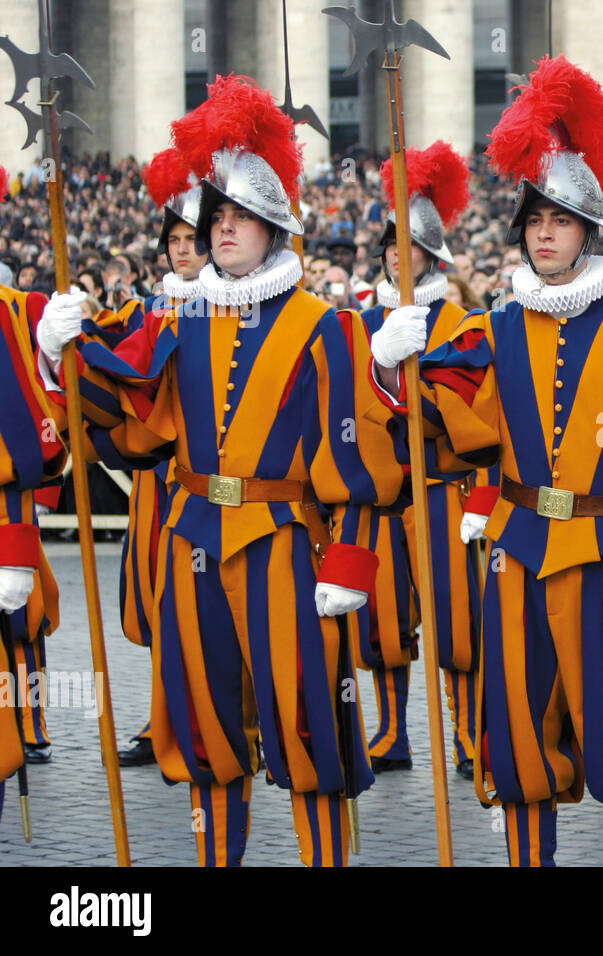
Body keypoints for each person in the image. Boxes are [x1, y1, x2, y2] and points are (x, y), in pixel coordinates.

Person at [36, 75, 402, 866]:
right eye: (218, 217)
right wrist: (62, 351)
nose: (225, 229)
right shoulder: (179, 315)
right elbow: (133, 418)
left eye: (242, 218)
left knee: (309, 724)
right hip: (193, 537)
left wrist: (349, 561)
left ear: (275, 229)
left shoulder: (324, 327)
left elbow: (360, 457)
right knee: (205, 727)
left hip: (285, 544)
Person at [372, 57, 603, 866]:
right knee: (517, 739)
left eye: (560, 220)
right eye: (533, 221)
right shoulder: (498, 328)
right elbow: (447, 428)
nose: (544, 232)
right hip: (517, 555)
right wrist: (390, 370)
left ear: (588, 232)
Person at [340, 140, 486, 778]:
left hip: (443, 491)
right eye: (390, 248)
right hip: (384, 490)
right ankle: (393, 730)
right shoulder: (360, 323)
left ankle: (468, 732)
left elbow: (468, 410)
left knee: (459, 624)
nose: (399, 258)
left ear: (434, 255)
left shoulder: (463, 322)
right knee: (381, 622)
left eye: (412, 249)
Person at [115, 146, 210, 767]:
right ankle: (160, 719)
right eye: (172, 238)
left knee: (203, 611)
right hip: (156, 482)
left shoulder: (231, 309)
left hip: (201, 483)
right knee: (157, 601)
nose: (181, 249)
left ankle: (212, 718)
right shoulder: (145, 310)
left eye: (191, 237)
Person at [0, 166, 64, 808]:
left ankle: (30, 720)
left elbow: (37, 425)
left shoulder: (18, 312)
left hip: (3, 503)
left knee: (20, 621)